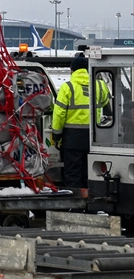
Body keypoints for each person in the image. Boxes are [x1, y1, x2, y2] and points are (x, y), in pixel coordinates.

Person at [51, 55, 110, 196]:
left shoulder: (67, 87)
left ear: (72, 70)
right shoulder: (100, 85)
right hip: (94, 137)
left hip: (72, 138)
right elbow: (105, 103)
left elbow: (59, 114)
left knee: (73, 173)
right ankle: (91, 201)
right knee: (90, 172)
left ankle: (75, 202)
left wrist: (56, 135)